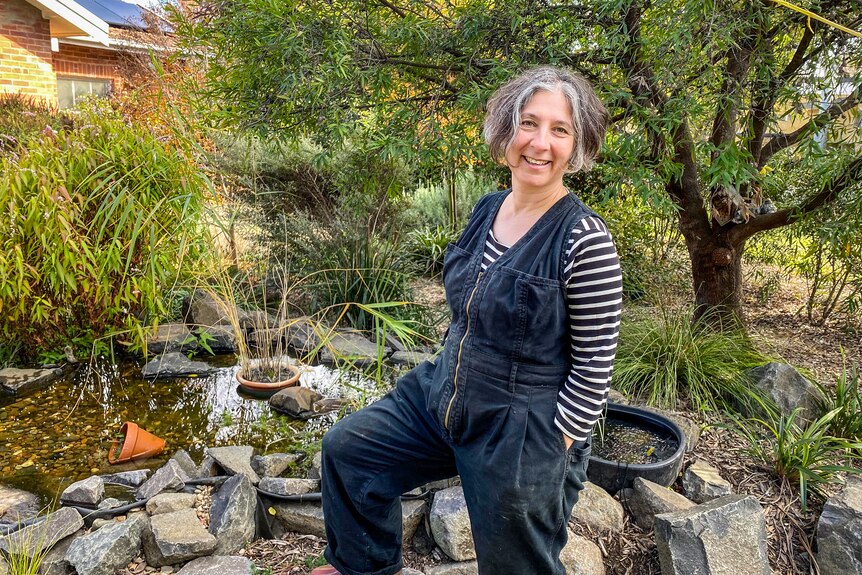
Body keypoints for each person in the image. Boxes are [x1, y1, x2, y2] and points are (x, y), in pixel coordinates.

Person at [312, 66, 622, 575]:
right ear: (506, 132)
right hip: (444, 395)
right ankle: (361, 569)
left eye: (559, 129)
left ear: (577, 144)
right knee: (349, 452)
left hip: (520, 430)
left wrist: (551, 446)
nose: (540, 142)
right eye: (528, 123)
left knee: (515, 567)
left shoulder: (584, 239)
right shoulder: (488, 207)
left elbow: (595, 365)